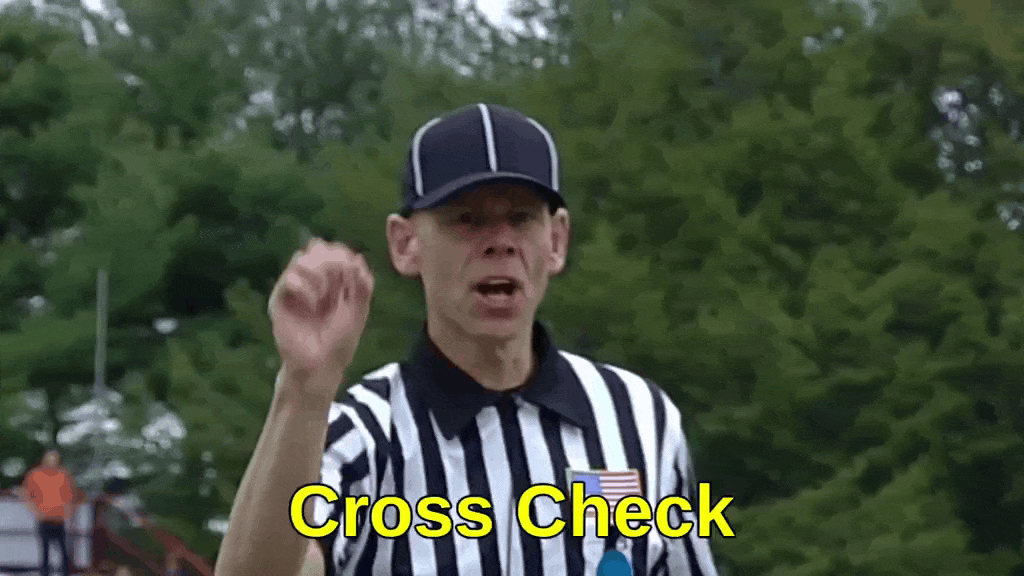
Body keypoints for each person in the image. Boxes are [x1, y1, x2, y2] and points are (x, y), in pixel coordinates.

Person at [215, 103, 722, 576]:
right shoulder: (361, 436)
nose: (500, 242)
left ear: (557, 240)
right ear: (405, 244)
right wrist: (304, 388)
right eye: (467, 220)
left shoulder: (641, 418)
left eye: (521, 218)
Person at [21, 449, 77, 576]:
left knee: (63, 549)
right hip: (44, 518)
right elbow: (27, 493)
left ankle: (65, 572)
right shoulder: (35, 475)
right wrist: (35, 511)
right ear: (44, 460)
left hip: (59, 519)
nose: (52, 462)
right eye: (50, 459)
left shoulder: (63, 474)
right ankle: (45, 572)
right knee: (45, 550)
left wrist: (68, 513)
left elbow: (70, 495)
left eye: (55, 459)